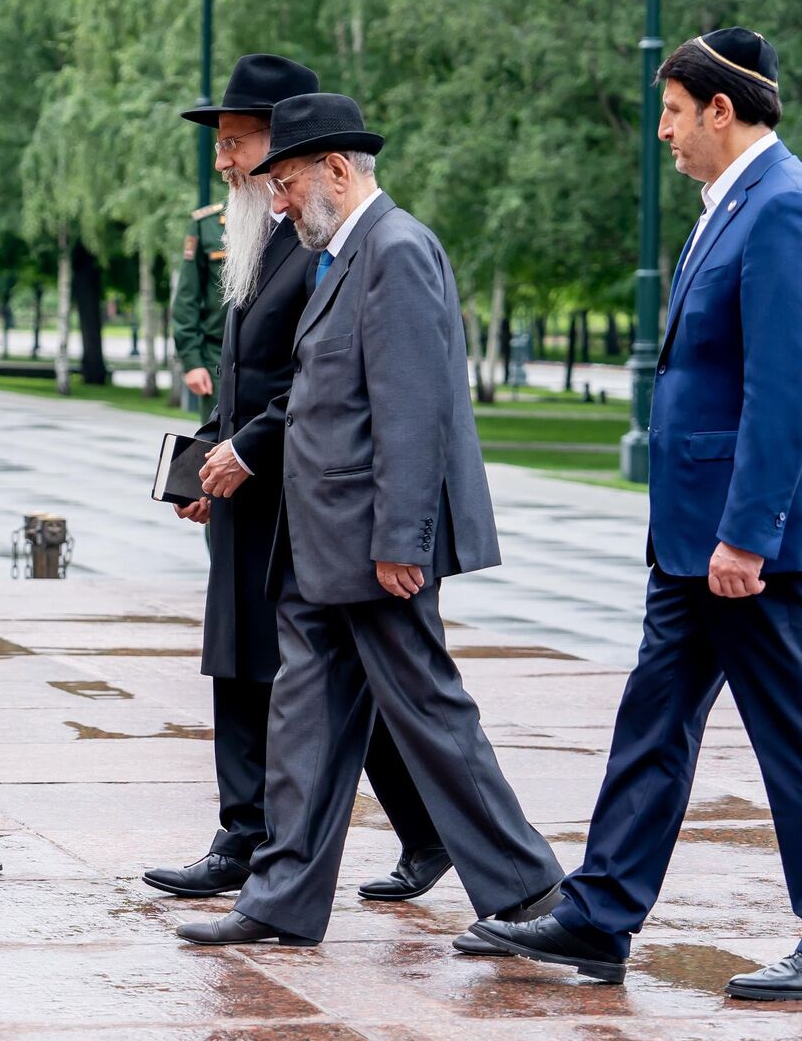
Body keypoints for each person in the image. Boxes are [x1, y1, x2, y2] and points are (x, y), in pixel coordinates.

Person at [472, 30, 802, 1001]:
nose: (663, 133)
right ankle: (599, 919)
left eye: (674, 114)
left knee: (794, 731)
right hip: (699, 537)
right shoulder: (731, 205)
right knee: (654, 721)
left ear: (721, 110)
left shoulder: (786, 209)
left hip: (744, 541)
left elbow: (786, 391)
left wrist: (748, 536)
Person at [176, 92, 562, 948]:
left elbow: (413, 408)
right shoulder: (346, 255)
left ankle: (530, 890)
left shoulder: (395, 248)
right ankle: (280, 899)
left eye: (285, 183)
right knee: (305, 720)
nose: (275, 201)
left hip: (372, 541)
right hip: (322, 540)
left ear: (337, 171)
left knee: (428, 710)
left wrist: (400, 540)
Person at [143, 55, 445, 906]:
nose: (225, 162)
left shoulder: (329, 234)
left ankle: (417, 831)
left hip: (301, 487)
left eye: (236, 143)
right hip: (246, 482)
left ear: (292, 144)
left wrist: (246, 448)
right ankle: (246, 835)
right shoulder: (257, 228)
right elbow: (242, 371)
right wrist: (205, 456)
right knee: (240, 662)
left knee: (331, 675)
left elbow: (319, 381)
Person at [170, 198, 226, 423]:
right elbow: (187, 298)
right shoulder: (207, 223)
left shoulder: (286, 214)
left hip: (279, 355)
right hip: (218, 355)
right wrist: (192, 362)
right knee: (218, 439)